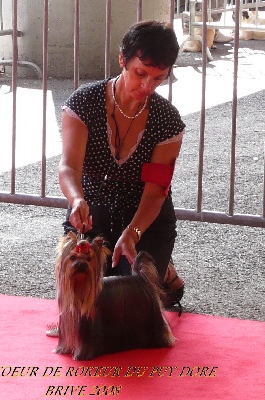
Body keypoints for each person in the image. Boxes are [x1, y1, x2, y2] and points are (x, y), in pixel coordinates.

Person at [48, 21, 185, 338]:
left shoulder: (167, 120)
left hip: (144, 215)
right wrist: (77, 200)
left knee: (132, 315)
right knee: (83, 308)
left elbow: (156, 191)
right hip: (92, 210)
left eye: (158, 78)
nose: (147, 86)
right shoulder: (85, 103)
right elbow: (68, 166)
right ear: (122, 60)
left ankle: (162, 269)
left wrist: (134, 232)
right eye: (140, 73)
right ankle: (155, 267)